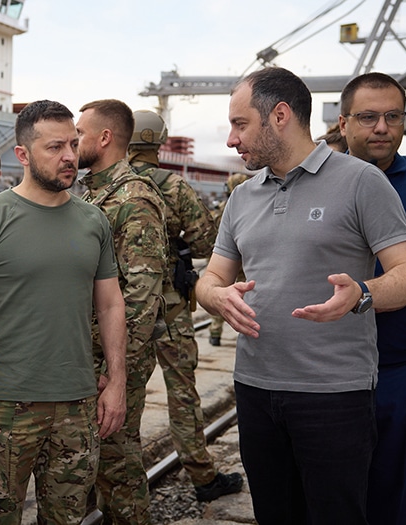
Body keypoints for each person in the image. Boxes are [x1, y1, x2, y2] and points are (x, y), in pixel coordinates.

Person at [195, 66, 406, 524]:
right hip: (255, 391)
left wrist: (362, 293)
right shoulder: (242, 197)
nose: (233, 140)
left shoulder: (361, 182)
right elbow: (210, 278)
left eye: (240, 124)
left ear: (279, 115)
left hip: (334, 396)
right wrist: (216, 297)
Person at [0, 99, 127, 524]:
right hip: (6, 407)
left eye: (72, 143)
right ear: (23, 155)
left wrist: (117, 381)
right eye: (54, 147)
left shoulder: (93, 221)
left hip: (78, 404)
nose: (69, 156)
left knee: (67, 517)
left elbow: (111, 303)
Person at [128, 110, 244, 502]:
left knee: (121, 396)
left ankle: (114, 480)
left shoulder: (107, 186)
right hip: (171, 307)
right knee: (182, 394)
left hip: (120, 307)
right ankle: (202, 475)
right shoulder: (174, 186)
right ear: (159, 141)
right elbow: (204, 244)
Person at [77, 99, 167, 524]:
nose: (73, 142)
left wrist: (117, 372)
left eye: (79, 133)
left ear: (105, 138)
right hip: (85, 356)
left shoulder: (134, 198)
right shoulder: (91, 192)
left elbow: (141, 298)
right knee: (88, 463)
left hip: (112, 357)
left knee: (116, 459)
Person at [339, 72, 406, 525]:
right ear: (344, 122)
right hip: (328, 376)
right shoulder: (314, 185)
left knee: (390, 501)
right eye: (368, 117)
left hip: (400, 372)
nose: (382, 127)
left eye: (393, 116)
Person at [208, 172, 249, 346]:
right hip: (246, 259)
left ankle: (215, 332)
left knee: (222, 294)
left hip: (226, 257)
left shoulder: (223, 208)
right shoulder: (254, 205)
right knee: (248, 294)